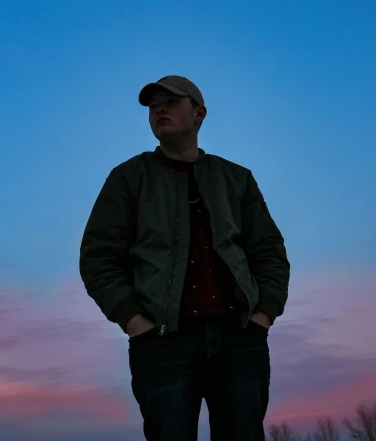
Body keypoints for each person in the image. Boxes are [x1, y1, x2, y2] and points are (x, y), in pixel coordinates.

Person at [79, 75, 291, 441]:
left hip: (240, 338)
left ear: (199, 113)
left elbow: (269, 251)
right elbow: (98, 258)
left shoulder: (236, 179)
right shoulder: (128, 178)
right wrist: (134, 322)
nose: (159, 109)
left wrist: (263, 315)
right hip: (163, 342)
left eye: (171, 101)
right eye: (152, 105)